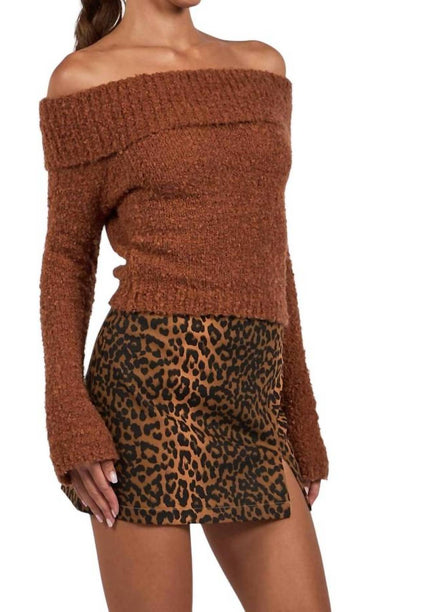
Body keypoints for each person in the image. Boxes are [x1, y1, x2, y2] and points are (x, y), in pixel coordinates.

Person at [37, 0, 331, 609]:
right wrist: (68, 415)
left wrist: (299, 412)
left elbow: (271, 251)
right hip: (142, 399)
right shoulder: (85, 79)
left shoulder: (261, 69)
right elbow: (67, 258)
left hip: (251, 400)